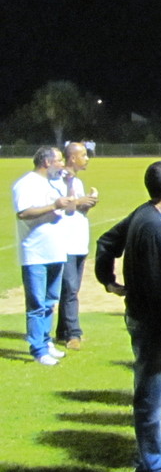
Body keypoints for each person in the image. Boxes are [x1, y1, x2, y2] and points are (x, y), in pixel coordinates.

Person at [94, 161, 161, 472]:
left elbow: (106, 241)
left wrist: (108, 280)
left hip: (146, 318)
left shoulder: (143, 213)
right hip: (152, 324)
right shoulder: (154, 226)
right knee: (151, 400)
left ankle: (153, 463)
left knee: (159, 394)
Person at [13, 146, 76, 365]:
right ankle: (38, 350)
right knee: (37, 304)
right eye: (59, 160)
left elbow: (70, 209)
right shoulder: (26, 184)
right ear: (47, 162)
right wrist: (53, 206)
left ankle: (46, 341)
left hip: (55, 250)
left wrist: (69, 184)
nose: (62, 164)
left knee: (50, 302)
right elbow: (23, 212)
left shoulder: (54, 183)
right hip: (35, 252)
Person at [56, 141, 98, 351]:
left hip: (79, 242)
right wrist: (80, 201)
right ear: (72, 158)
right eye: (83, 155)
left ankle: (62, 331)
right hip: (66, 243)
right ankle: (74, 334)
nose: (87, 158)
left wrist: (88, 203)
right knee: (70, 289)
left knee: (71, 289)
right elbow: (62, 206)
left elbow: (76, 210)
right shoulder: (59, 180)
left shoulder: (78, 182)